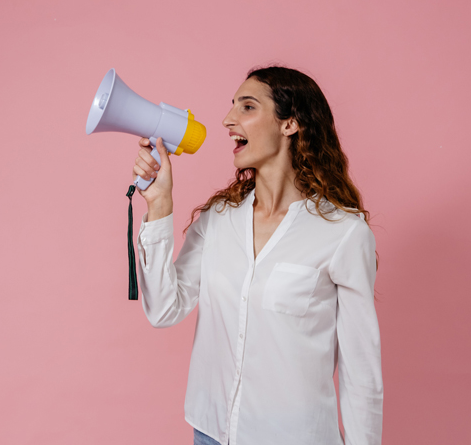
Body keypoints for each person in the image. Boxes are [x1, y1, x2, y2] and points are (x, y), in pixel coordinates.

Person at [132, 66, 383, 445]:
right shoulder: (218, 220)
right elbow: (164, 309)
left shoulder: (343, 233)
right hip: (212, 432)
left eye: (247, 107)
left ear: (290, 124)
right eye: (232, 106)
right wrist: (159, 204)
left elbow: (361, 371)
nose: (227, 119)